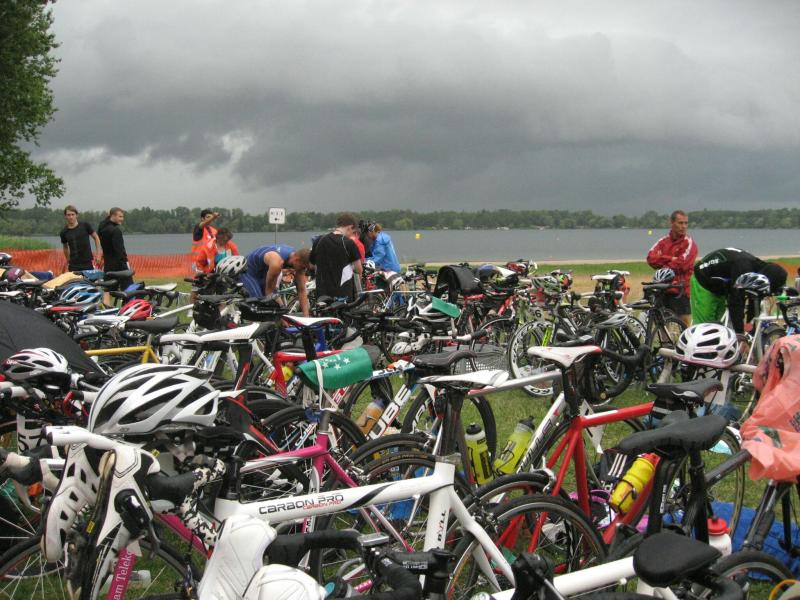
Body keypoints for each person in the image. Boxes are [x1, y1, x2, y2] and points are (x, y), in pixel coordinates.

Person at [692, 248, 787, 334]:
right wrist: (740, 333)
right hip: (703, 277)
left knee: (719, 326)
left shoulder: (758, 271)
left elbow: (755, 298)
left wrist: (751, 325)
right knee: (705, 327)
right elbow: (736, 301)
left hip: (722, 282)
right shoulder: (743, 269)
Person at [646, 210, 697, 326]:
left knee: (684, 323)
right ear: (671, 223)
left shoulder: (689, 243)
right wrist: (670, 258)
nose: (684, 226)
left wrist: (662, 261)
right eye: (680, 223)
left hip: (680, 290)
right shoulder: (662, 242)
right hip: (662, 289)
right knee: (661, 323)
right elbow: (651, 258)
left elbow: (682, 264)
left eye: (686, 223)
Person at [241, 245, 311, 316]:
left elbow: (302, 291)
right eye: (303, 267)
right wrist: (282, 313)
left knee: (275, 309)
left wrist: (306, 317)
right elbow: (269, 293)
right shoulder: (277, 263)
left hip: (263, 270)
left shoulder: (297, 261)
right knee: (258, 305)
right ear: (297, 260)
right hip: (249, 270)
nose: (303, 270)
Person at [310, 213, 363, 301]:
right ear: (349, 227)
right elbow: (359, 270)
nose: (352, 235)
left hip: (322, 293)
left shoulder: (319, 241)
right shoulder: (349, 243)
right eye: (353, 232)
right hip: (343, 294)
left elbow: (311, 265)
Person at [98, 207, 133, 291]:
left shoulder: (102, 227)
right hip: (119, 265)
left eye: (122, 217)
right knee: (129, 289)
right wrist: (125, 264)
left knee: (107, 290)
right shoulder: (116, 231)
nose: (122, 219)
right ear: (113, 216)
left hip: (108, 264)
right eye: (120, 216)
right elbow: (120, 250)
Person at [59, 205, 102, 272]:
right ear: (65, 216)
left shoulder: (85, 225)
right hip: (73, 264)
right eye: (68, 215)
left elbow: (96, 237)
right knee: (73, 279)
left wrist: (98, 254)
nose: (71, 217)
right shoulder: (64, 232)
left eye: (73, 214)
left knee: (88, 278)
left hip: (87, 262)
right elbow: (65, 247)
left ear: (76, 215)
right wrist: (68, 260)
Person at [192, 209, 220, 274]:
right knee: (199, 280)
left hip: (210, 262)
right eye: (208, 217)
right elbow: (203, 224)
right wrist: (213, 217)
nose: (210, 219)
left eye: (211, 217)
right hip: (198, 263)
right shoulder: (198, 227)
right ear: (202, 218)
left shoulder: (214, 231)